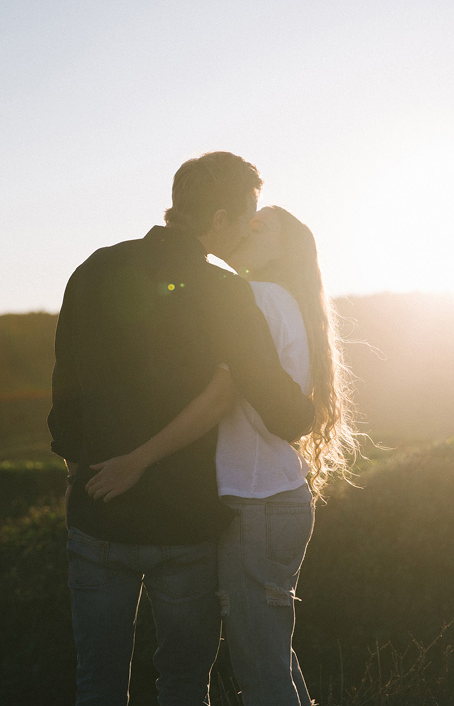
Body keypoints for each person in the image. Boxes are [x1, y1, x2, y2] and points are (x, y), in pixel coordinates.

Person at [48, 152, 315, 706]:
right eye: (246, 216)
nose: (246, 229)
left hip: (98, 517)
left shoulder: (94, 268)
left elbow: (64, 398)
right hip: (183, 529)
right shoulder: (225, 293)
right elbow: (281, 412)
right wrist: (309, 411)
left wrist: (80, 472)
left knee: (96, 686)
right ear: (219, 218)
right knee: (184, 688)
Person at [86, 205, 359, 706]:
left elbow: (218, 398)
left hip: (256, 501)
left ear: (283, 249)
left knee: (261, 674)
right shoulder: (283, 299)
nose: (246, 224)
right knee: (272, 660)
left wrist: (137, 459)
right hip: (274, 498)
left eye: (261, 225)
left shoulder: (256, 297)